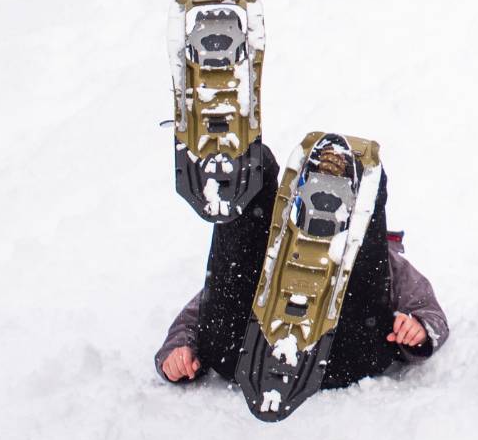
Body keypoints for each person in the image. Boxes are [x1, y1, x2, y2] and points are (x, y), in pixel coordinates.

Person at [156, 141, 448, 390]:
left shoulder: (382, 262)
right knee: (250, 237)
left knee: (363, 256)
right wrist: (178, 350)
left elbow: (430, 311)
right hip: (249, 354)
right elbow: (206, 306)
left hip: (343, 355)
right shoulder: (275, 246)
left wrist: (419, 330)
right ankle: (241, 165)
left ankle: (365, 186)